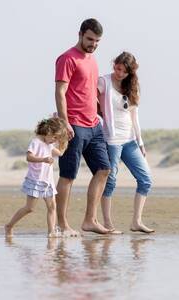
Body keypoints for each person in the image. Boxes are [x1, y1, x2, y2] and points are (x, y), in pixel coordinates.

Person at [55, 18, 111, 236]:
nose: (93, 44)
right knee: (68, 175)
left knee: (104, 169)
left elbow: (89, 92)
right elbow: (60, 92)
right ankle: (62, 224)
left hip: (94, 125)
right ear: (80, 34)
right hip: (74, 126)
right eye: (90, 39)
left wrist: (102, 114)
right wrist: (64, 122)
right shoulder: (67, 58)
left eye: (97, 41)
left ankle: (90, 220)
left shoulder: (93, 59)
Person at [98, 52, 154, 234]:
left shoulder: (132, 87)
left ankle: (136, 222)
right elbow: (87, 100)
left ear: (130, 72)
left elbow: (134, 116)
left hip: (130, 140)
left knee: (145, 179)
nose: (119, 73)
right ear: (114, 64)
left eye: (123, 71)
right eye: (117, 68)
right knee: (111, 180)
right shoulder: (103, 81)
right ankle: (107, 223)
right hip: (111, 139)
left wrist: (141, 142)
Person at [5, 117, 68, 238]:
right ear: (48, 131)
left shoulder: (48, 144)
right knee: (30, 208)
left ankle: (52, 232)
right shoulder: (36, 142)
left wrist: (64, 141)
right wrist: (43, 159)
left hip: (48, 181)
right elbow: (29, 157)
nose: (55, 141)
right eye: (55, 137)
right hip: (35, 180)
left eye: (57, 139)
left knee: (52, 206)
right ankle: (9, 225)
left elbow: (60, 153)